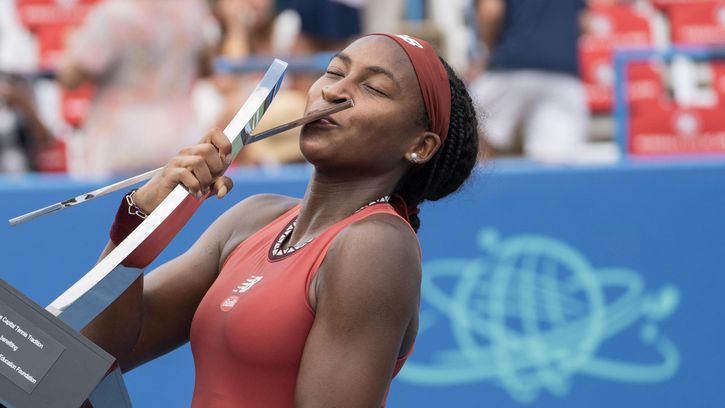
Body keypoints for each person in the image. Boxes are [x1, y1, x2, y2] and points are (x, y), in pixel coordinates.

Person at [82, 33, 479, 407]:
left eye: (374, 88)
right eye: (334, 72)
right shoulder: (253, 218)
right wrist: (140, 220)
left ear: (420, 145)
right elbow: (98, 352)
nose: (334, 91)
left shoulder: (376, 245)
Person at [58, 0, 214, 176]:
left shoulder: (114, 13)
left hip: (121, 139)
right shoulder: (193, 8)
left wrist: (71, 44)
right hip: (179, 136)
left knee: (119, 195)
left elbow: (73, 76)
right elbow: (206, 66)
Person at [470, 0, 590, 163]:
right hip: (563, 76)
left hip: (510, 68)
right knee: (554, 163)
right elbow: (584, 23)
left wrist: (489, 52)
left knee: (475, 145)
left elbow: (491, 12)